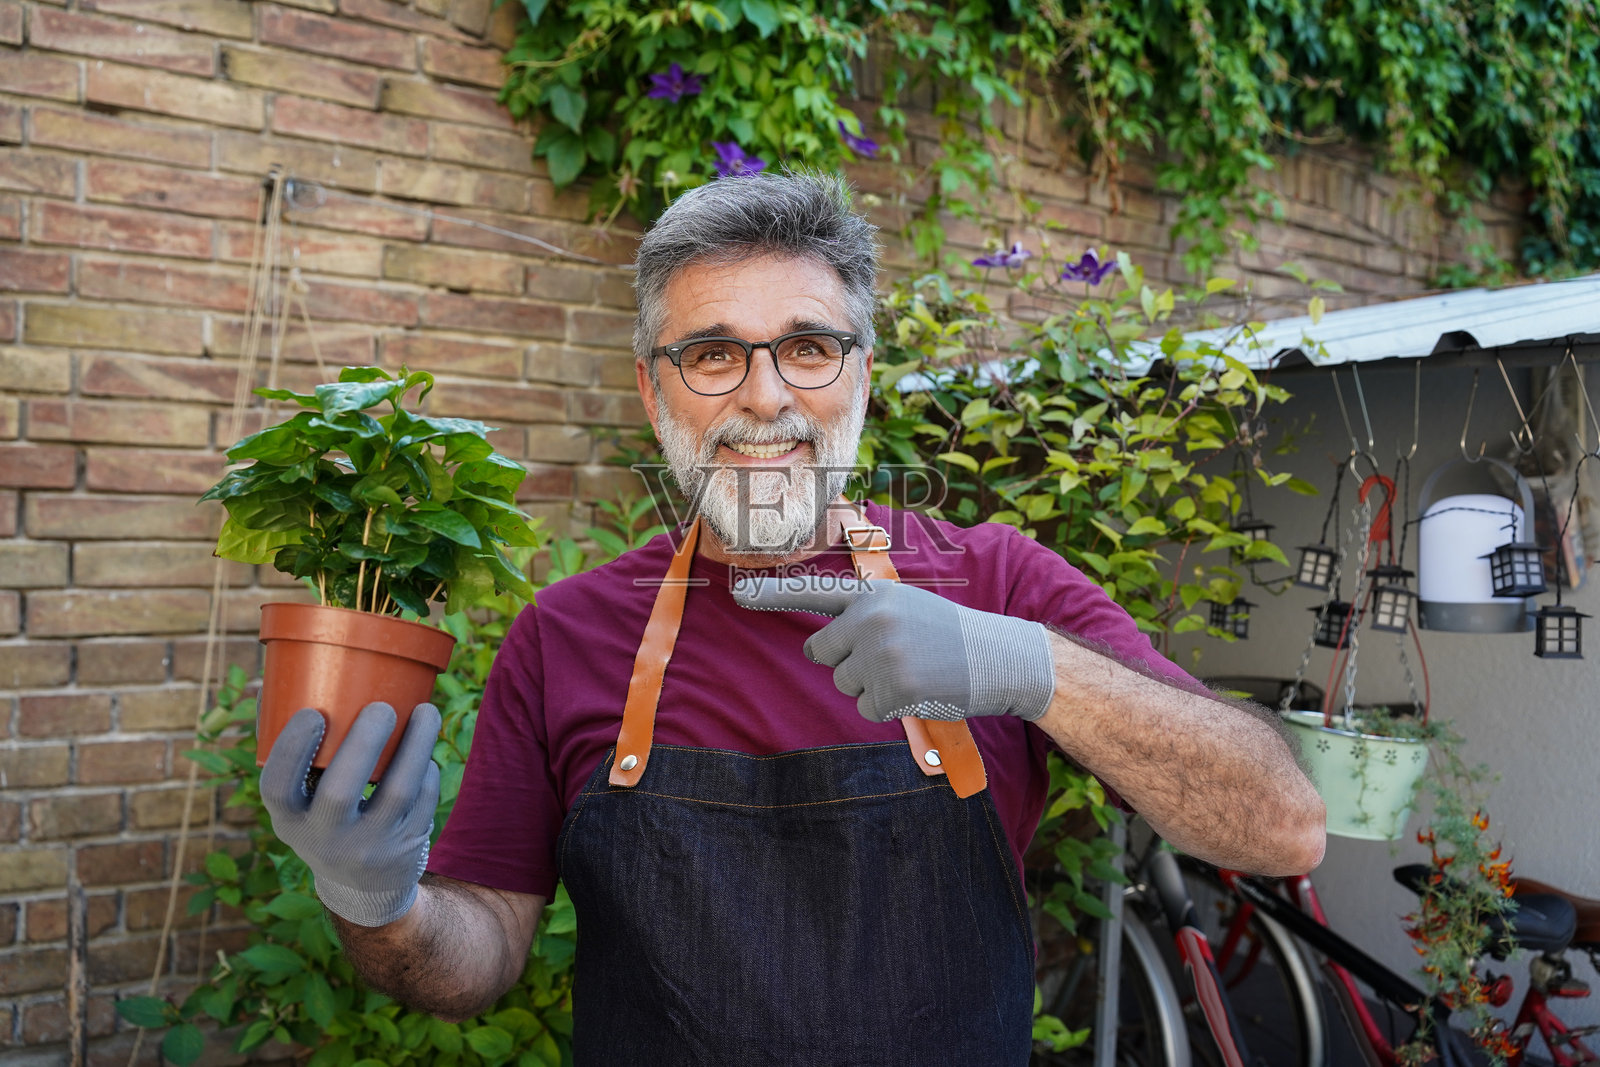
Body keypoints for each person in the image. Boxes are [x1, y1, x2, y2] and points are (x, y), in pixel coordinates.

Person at [261, 170, 1325, 1065]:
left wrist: (1033, 666)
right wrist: (375, 897)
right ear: (652, 390)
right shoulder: (568, 633)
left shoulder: (996, 578)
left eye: (808, 347)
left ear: (862, 371)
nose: (765, 397)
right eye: (713, 354)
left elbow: (1282, 827)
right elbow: (479, 951)